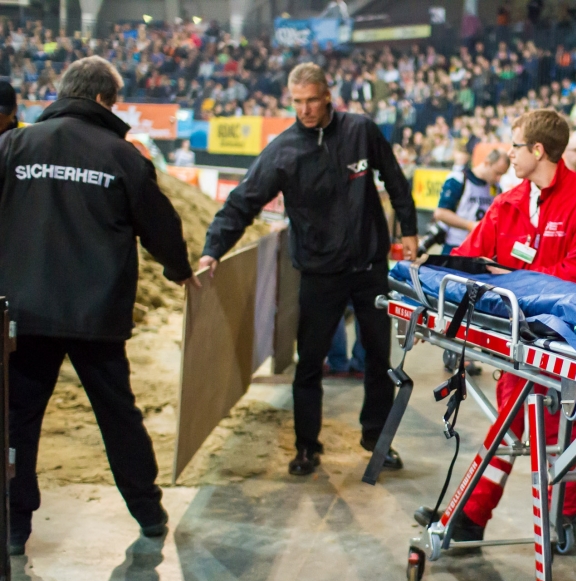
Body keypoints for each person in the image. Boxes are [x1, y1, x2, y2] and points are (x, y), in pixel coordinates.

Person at [0, 56, 197, 555]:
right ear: (104, 100)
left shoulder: (14, 147)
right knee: (117, 415)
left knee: (17, 420)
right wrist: (179, 270)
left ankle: (13, 528)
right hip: (97, 315)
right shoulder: (123, 157)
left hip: (25, 313)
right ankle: (148, 512)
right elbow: (161, 226)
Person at [200, 63, 418, 476]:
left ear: (328, 95)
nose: (305, 110)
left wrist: (409, 229)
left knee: (379, 360)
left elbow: (394, 178)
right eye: (297, 102)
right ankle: (306, 446)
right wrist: (213, 250)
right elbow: (242, 203)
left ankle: (377, 440)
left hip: (369, 268)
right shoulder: (283, 151)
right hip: (320, 275)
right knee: (309, 364)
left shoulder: (361, 130)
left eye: (312, 100)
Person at [447, 109, 576, 546]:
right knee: (511, 424)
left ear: (538, 150)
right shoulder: (507, 203)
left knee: (560, 430)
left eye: (515, 145)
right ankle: (478, 516)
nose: (509, 153)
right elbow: (471, 257)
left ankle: (557, 518)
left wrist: (513, 278)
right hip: (516, 340)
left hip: (566, 343)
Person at [433, 148, 509, 254]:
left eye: (502, 175)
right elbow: (441, 213)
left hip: (480, 247)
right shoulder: (459, 179)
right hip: (455, 245)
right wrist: (470, 225)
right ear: (487, 163)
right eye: (497, 173)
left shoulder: (496, 188)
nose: (498, 178)